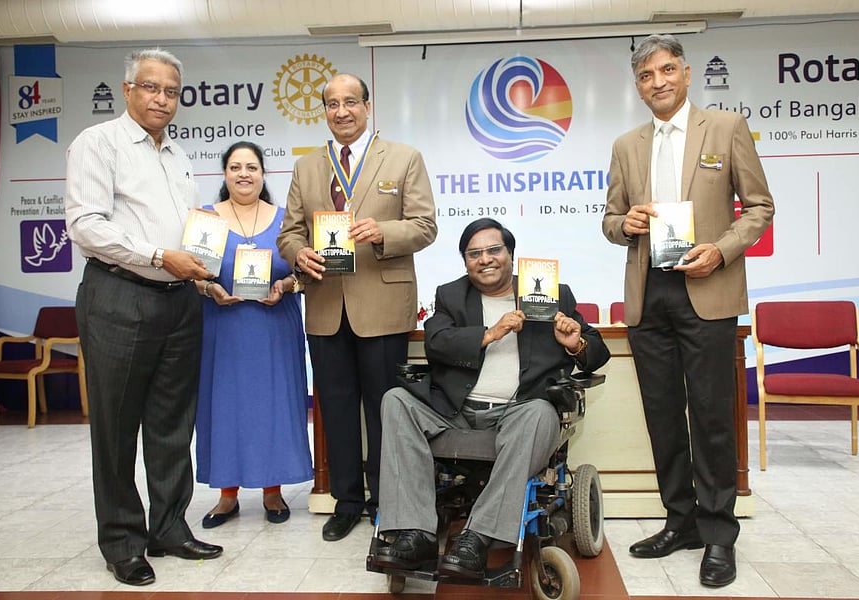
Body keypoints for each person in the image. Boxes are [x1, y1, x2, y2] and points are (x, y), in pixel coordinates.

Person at [602, 34, 774, 587]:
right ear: (637, 86)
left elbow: (760, 207)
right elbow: (611, 220)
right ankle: (680, 520)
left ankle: (719, 533)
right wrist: (623, 225)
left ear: (686, 72)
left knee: (711, 416)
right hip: (649, 294)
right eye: (647, 75)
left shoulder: (725, 128)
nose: (658, 82)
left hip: (708, 290)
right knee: (663, 417)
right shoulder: (627, 144)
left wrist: (720, 250)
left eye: (667, 70)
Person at [370, 218, 611, 579]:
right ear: (465, 261)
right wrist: (489, 334)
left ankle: (477, 538)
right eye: (474, 253)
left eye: (494, 250)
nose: (485, 259)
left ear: (510, 255)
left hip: (520, 412)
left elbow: (598, 353)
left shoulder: (550, 293)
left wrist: (576, 343)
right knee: (395, 401)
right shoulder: (451, 295)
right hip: (456, 413)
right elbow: (436, 342)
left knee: (539, 414)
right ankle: (415, 534)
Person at [65, 48, 223, 587]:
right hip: (120, 297)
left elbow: (182, 233)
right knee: (115, 428)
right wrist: (159, 258)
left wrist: (197, 271)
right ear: (128, 89)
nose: (162, 99)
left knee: (171, 424)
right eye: (152, 88)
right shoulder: (98, 143)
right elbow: (86, 225)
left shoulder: (176, 156)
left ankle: (170, 527)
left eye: (172, 91)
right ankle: (123, 542)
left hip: (181, 300)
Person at [277, 73, 437, 542]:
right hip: (326, 305)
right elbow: (289, 232)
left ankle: (389, 502)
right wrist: (297, 253)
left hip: (383, 304)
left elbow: (425, 226)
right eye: (332, 104)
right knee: (338, 409)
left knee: (387, 410)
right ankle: (346, 502)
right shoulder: (307, 167)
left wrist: (384, 232)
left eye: (350, 102)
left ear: (368, 106)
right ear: (324, 111)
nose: (341, 111)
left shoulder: (404, 157)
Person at [194, 141, 314, 528]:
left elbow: (307, 274)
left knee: (273, 405)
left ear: (263, 174)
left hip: (274, 327)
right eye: (235, 167)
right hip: (223, 327)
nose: (243, 173)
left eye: (251, 167)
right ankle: (226, 496)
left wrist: (288, 286)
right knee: (224, 406)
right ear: (225, 174)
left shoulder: (286, 220)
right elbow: (193, 274)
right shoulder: (207, 219)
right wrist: (209, 288)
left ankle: (272, 491)